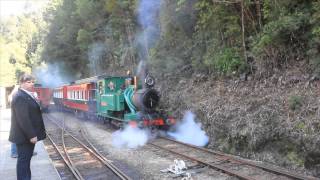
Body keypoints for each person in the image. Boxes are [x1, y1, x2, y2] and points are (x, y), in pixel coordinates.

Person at [9, 74, 46, 180]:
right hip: (24, 137)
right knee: (23, 162)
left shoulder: (26, 95)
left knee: (26, 161)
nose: (31, 84)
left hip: (25, 136)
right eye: (28, 82)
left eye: (32, 82)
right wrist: (32, 135)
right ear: (21, 83)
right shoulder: (20, 96)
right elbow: (23, 119)